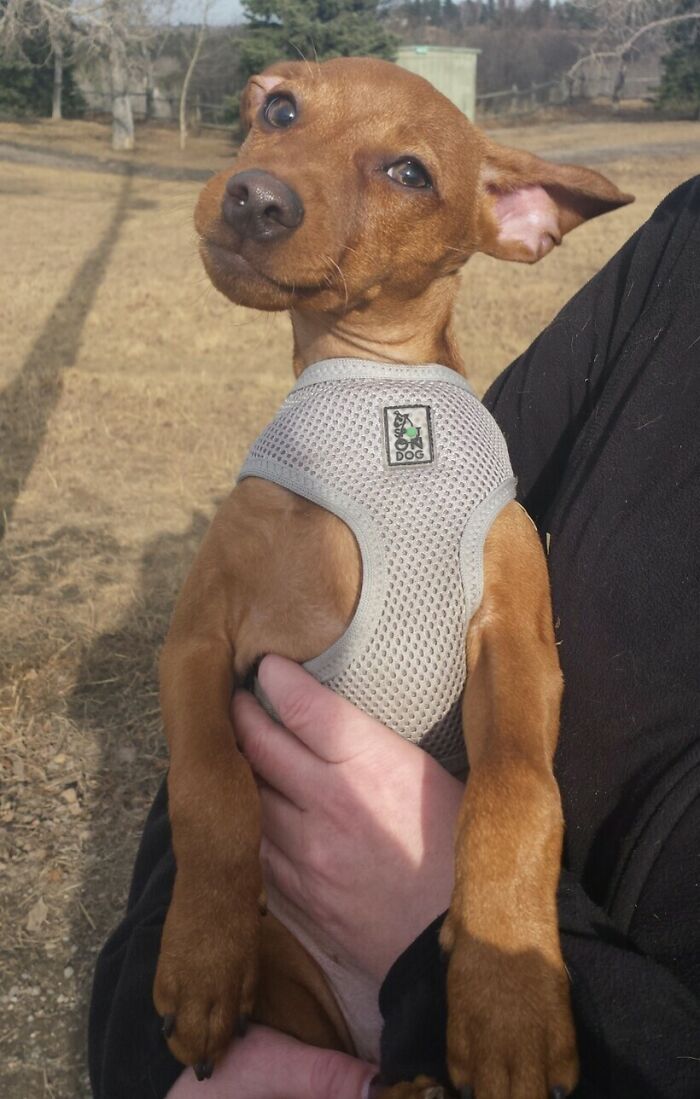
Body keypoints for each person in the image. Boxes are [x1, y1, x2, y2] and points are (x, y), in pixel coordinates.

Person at [88, 176, 700, 1099]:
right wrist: (159, 1031)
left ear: (515, 215)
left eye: (406, 171)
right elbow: (211, 673)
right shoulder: (677, 255)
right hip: (277, 971)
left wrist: (477, 905)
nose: (278, 178)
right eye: (278, 110)